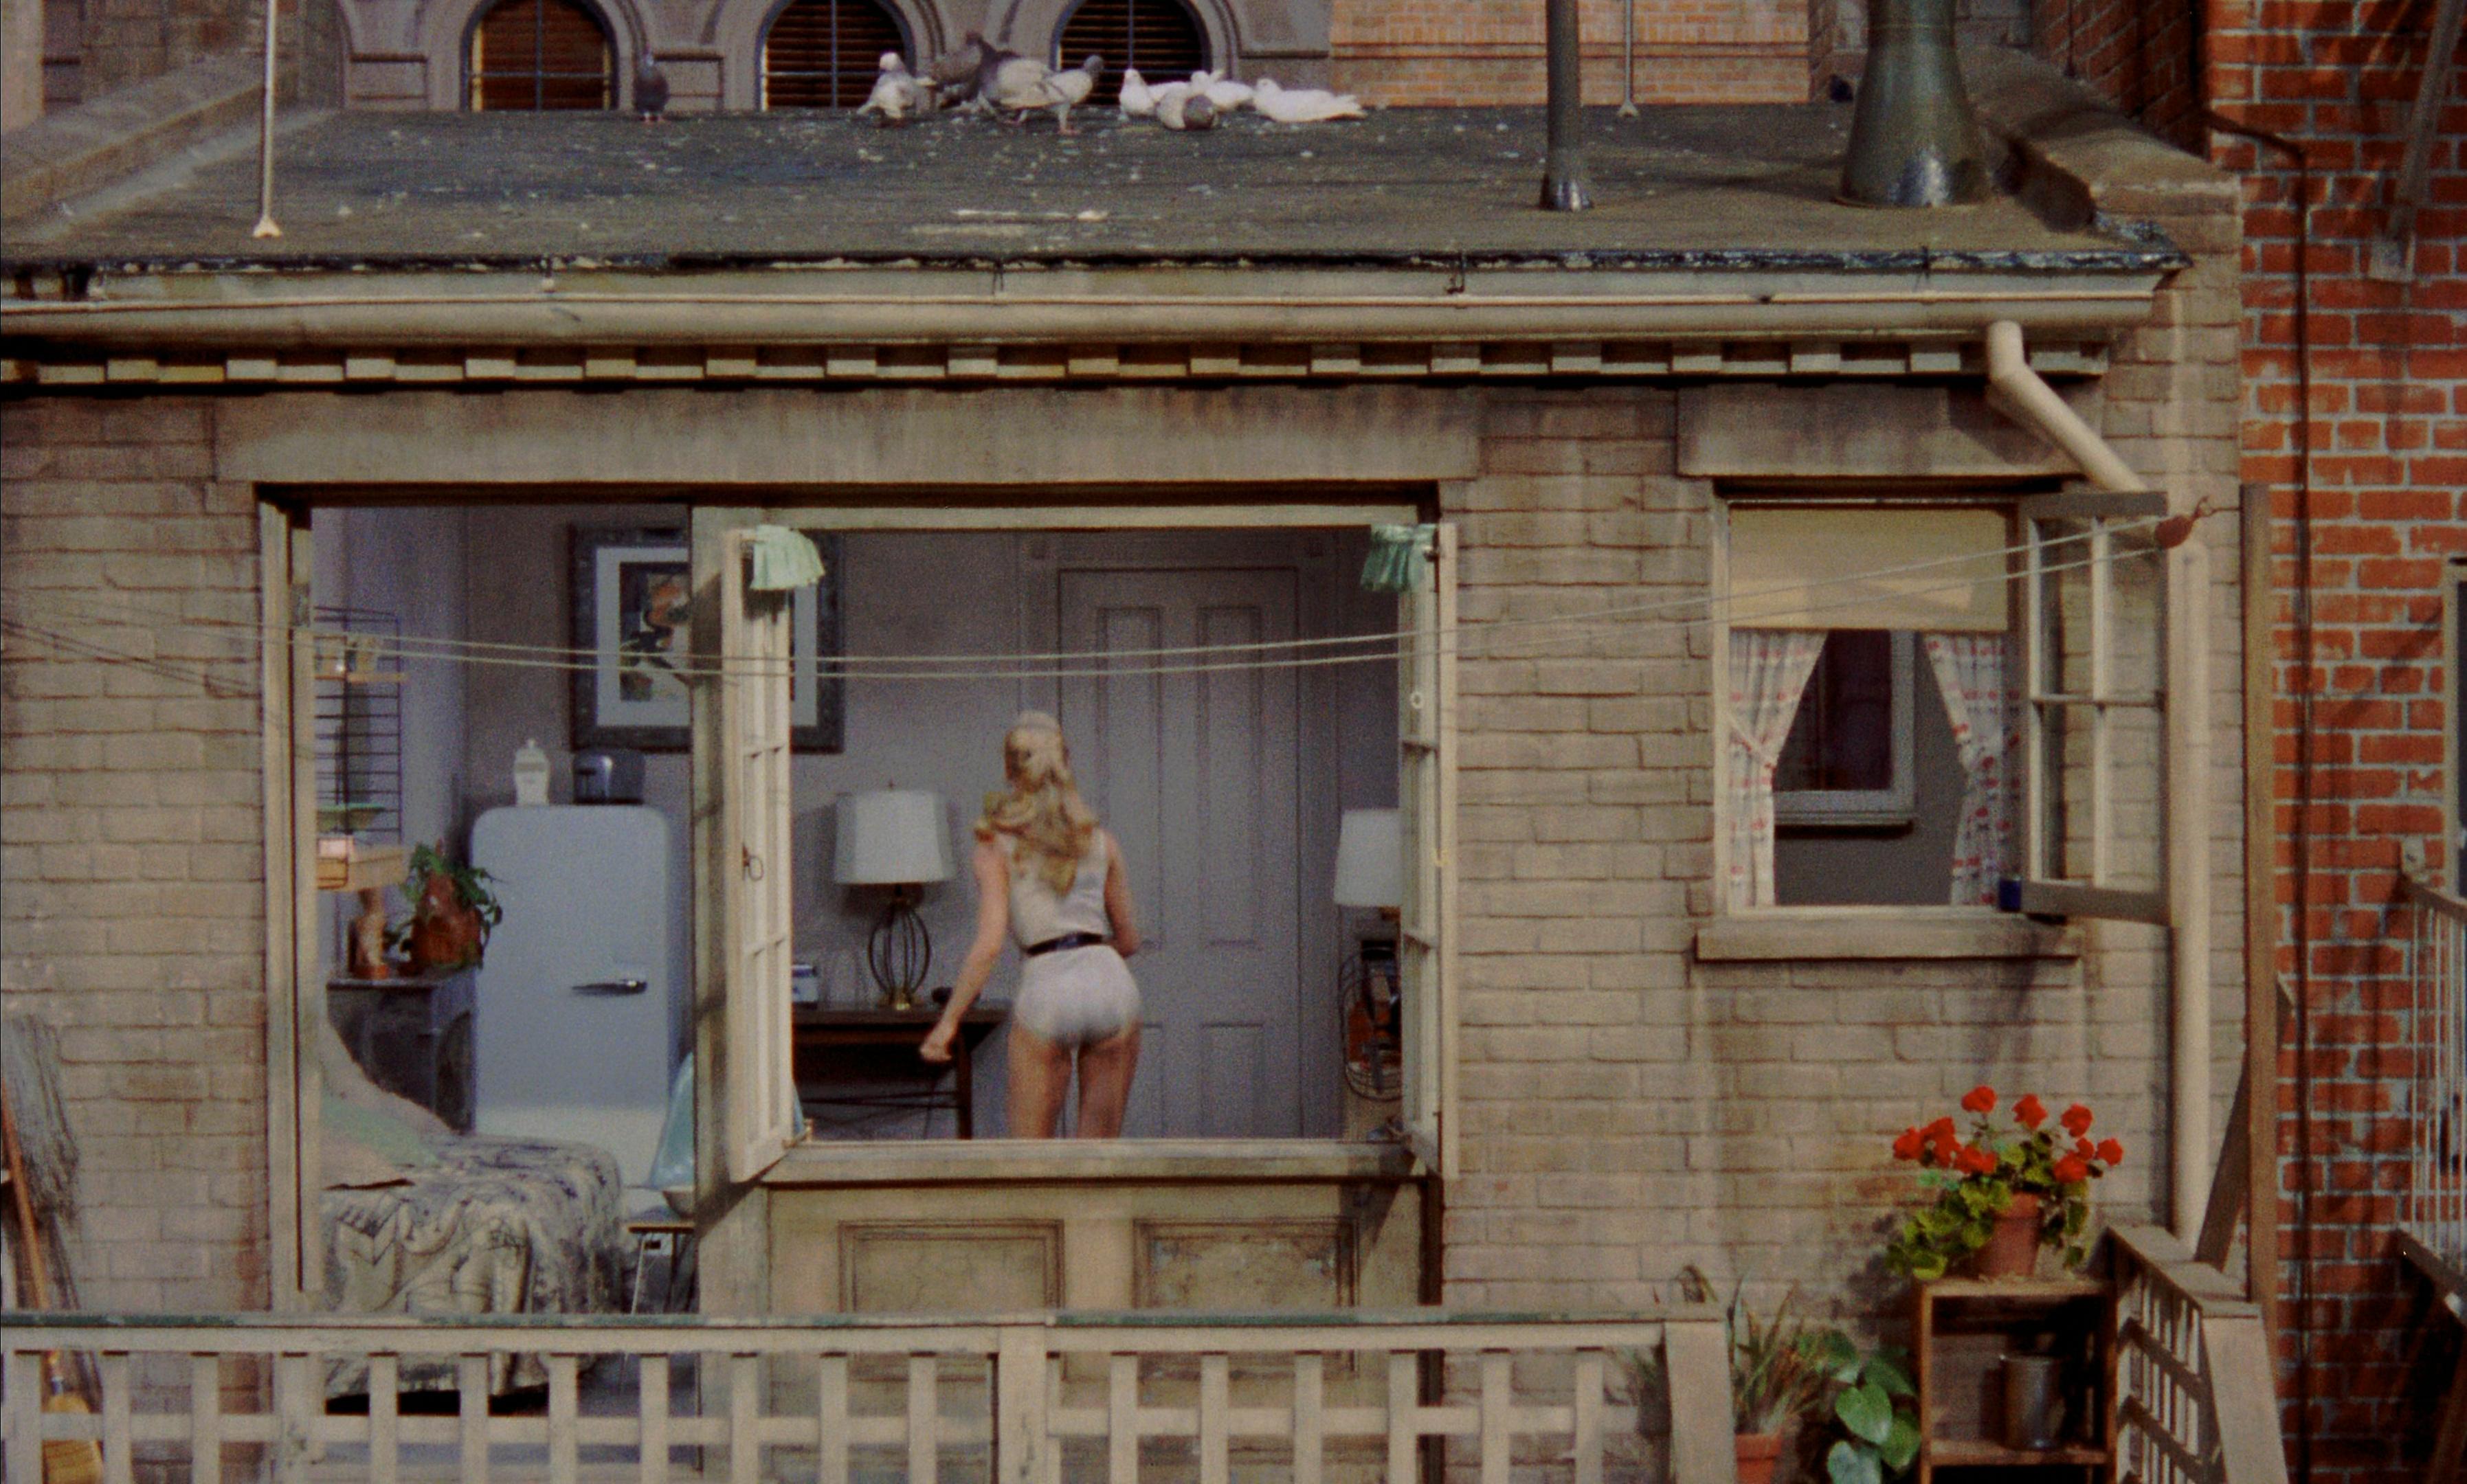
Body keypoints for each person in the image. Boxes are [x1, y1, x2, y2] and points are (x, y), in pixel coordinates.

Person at [920, 712, 1142, 1137]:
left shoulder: (994, 845)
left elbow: (989, 946)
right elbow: (1129, 941)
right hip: (1111, 986)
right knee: (1099, 1160)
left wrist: (947, 1024)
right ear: (1066, 762)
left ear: (1010, 770)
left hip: (1046, 988)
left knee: (1031, 1160)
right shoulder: (1102, 842)